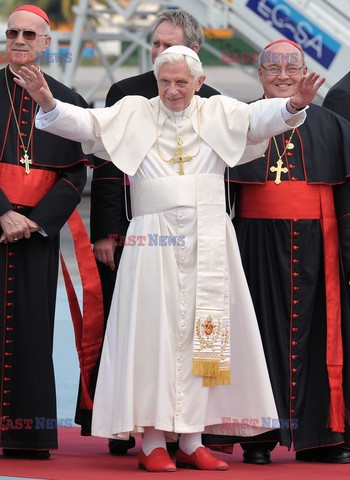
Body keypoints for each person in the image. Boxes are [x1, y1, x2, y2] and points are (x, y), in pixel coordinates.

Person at [21, 44, 322, 472]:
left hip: (210, 240)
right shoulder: (135, 112)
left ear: (199, 82)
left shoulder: (220, 111)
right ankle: (152, 443)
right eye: (165, 81)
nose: (173, 91)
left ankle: (193, 440)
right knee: (153, 337)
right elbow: (87, 123)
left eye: (182, 82)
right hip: (152, 240)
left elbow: (258, 121)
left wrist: (293, 104)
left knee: (206, 338)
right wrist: (49, 102)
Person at [0, 5, 103, 461]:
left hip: (37, 232)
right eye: (12, 32)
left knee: (33, 330)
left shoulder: (68, 100)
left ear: (46, 43)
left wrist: (38, 219)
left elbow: (76, 174)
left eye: (30, 34)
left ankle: (27, 435)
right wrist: (1, 213)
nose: (19, 40)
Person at [88, 8, 220, 455]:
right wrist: (105, 230)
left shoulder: (213, 101)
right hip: (138, 233)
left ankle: (190, 436)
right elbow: (107, 168)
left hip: (202, 241)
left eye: (170, 46)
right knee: (137, 328)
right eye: (156, 45)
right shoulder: (127, 93)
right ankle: (132, 430)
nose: (160, 55)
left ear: (195, 56)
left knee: (194, 333)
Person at [223, 39, 350, 464]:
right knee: (255, 335)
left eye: (291, 68)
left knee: (321, 336)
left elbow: (346, 199)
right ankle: (257, 438)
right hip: (253, 245)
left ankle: (321, 437)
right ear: (259, 74)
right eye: (272, 68)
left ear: (304, 72)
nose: (282, 75)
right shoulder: (238, 121)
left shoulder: (334, 125)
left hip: (320, 247)